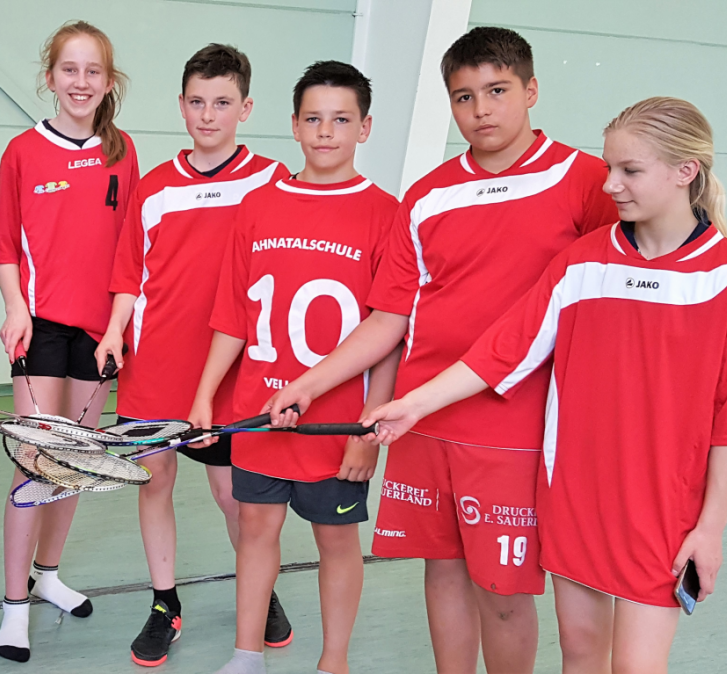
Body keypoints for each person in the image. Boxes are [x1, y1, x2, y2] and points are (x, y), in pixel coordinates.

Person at [265, 27, 619, 673]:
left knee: (504, 593)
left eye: (497, 91)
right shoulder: (427, 195)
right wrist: (310, 382)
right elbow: (389, 318)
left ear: (531, 90)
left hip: (519, 424)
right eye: (463, 97)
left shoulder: (586, 181)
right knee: (444, 571)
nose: (481, 110)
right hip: (424, 416)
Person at [362, 96, 727, 674]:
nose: (610, 184)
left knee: (637, 666)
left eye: (630, 170)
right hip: (574, 499)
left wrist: (710, 529)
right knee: (580, 655)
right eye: (609, 167)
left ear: (684, 171)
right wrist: (412, 405)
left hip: (664, 510)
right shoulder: (582, 262)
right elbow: (503, 350)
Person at [192, 61, 399, 674]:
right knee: (255, 528)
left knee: (336, 540)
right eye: (313, 118)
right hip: (258, 413)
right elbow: (233, 315)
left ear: (365, 128)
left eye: (341, 119)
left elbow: (389, 334)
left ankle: (333, 660)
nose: (326, 131)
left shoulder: (385, 214)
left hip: (336, 425)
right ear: (293, 124)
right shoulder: (258, 205)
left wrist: (368, 429)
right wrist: (205, 395)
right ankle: (246, 654)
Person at [94, 43, 290, 667]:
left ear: (245, 109)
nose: (209, 115)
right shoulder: (154, 187)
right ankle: (164, 603)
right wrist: (114, 331)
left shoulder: (273, 180)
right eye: (198, 102)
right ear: (181, 105)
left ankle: (259, 589)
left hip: (235, 375)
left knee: (234, 496)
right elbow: (130, 276)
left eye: (222, 103)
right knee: (154, 483)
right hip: (155, 368)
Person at [0, 20, 139, 663]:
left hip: (99, 332)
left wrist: (116, 328)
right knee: (33, 460)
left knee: (75, 461)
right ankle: (12, 608)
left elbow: (131, 253)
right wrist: (15, 308)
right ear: (50, 77)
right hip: (41, 326)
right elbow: (4, 245)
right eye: (69, 69)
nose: (81, 82)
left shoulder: (122, 152)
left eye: (92, 71)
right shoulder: (22, 151)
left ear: (108, 81)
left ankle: (48, 575)